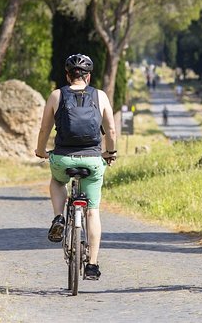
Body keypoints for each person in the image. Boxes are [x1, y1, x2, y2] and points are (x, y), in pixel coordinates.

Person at [35, 54, 117, 280]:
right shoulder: (100, 96)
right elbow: (110, 131)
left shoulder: (56, 95)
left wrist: (41, 151)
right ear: (88, 76)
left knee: (57, 181)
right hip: (92, 159)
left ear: (67, 75)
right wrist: (110, 152)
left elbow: (44, 129)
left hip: (63, 158)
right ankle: (92, 264)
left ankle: (59, 217)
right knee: (92, 210)